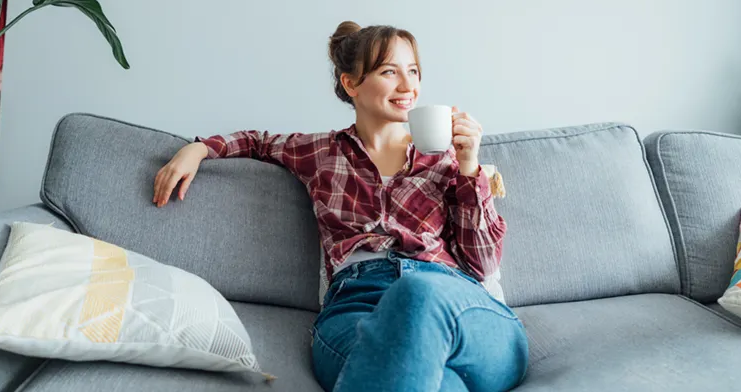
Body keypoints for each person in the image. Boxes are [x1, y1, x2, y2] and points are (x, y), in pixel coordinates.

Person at [153, 21, 528, 392]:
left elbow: (482, 264)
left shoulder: (447, 160)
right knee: (439, 384)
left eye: (413, 71)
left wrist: (469, 167)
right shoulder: (321, 153)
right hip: (357, 306)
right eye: (389, 71)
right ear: (351, 84)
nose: (408, 85)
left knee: (418, 294)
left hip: (449, 300)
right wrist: (199, 149)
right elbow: (257, 143)